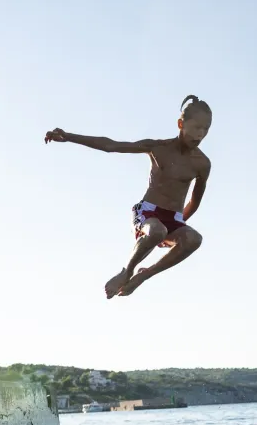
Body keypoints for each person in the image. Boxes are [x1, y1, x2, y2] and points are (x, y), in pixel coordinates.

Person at [45, 94, 212, 298]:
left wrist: (179, 226)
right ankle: (128, 270)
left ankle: (144, 276)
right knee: (157, 231)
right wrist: (69, 136)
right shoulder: (158, 148)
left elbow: (195, 200)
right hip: (149, 213)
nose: (200, 134)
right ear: (180, 124)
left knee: (194, 239)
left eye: (206, 129)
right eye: (196, 128)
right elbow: (111, 146)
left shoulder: (202, 164)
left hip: (174, 219)